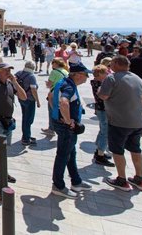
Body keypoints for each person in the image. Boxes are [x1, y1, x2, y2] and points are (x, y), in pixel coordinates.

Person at [99, 55, 142, 192]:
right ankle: (139, 179)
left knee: (117, 151)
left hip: (119, 121)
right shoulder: (138, 79)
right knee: (136, 149)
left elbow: (103, 96)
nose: (110, 66)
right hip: (138, 121)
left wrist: (99, 90)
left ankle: (121, 179)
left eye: (112, 63)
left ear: (116, 64)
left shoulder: (112, 78)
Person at [50, 62, 92, 198]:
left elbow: (50, 97)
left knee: (70, 153)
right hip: (67, 127)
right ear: (78, 75)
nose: (87, 78)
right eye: (86, 75)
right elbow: (63, 102)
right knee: (63, 154)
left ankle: (76, 181)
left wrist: (56, 114)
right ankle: (58, 185)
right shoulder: (69, 86)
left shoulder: (63, 82)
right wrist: (68, 121)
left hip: (61, 123)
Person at [91, 65, 114, 166]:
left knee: (102, 130)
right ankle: (100, 155)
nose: (107, 74)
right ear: (100, 74)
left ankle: (99, 151)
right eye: (105, 73)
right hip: (103, 109)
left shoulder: (96, 82)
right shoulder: (100, 84)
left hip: (100, 109)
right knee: (105, 132)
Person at [42, 58, 69, 137]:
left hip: (54, 93)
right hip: (63, 94)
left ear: (56, 64)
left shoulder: (54, 72)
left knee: (51, 110)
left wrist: (47, 83)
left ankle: (51, 129)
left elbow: (49, 85)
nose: (52, 64)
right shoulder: (65, 71)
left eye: (53, 63)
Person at [16, 61, 40, 146]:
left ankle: (26, 135)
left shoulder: (19, 73)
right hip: (30, 100)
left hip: (21, 98)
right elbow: (33, 90)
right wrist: (38, 101)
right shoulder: (31, 77)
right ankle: (26, 138)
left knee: (25, 117)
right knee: (28, 119)